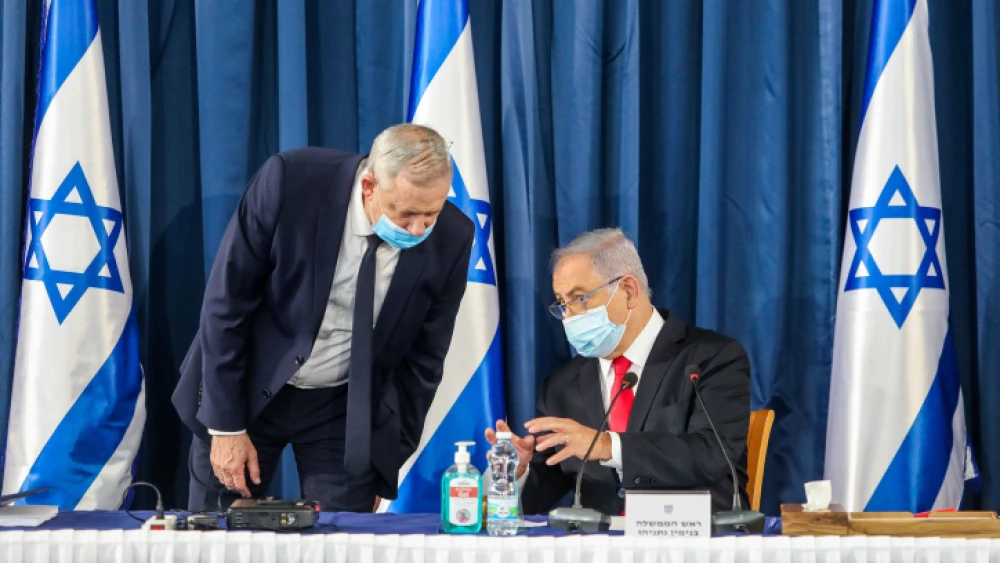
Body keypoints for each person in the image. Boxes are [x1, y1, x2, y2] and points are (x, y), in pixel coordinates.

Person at [173, 124, 474, 512]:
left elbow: (425, 358)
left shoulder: (452, 236)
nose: (419, 229)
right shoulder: (292, 182)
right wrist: (227, 426)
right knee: (221, 536)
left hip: (342, 406)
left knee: (345, 541)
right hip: (246, 384)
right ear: (369, 186)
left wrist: (388, 457)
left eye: (430, 213)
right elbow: (226, 304)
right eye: (406, 214)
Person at [486, 228, 751, 515]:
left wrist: (606, 445)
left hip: (696, 543)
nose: (569, 316)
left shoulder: (709, 358)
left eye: (580, 298)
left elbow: (712, 453)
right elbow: (542, 496)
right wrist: (519, 471)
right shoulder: (561, 386)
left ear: (628, 290)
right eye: (562, 303)